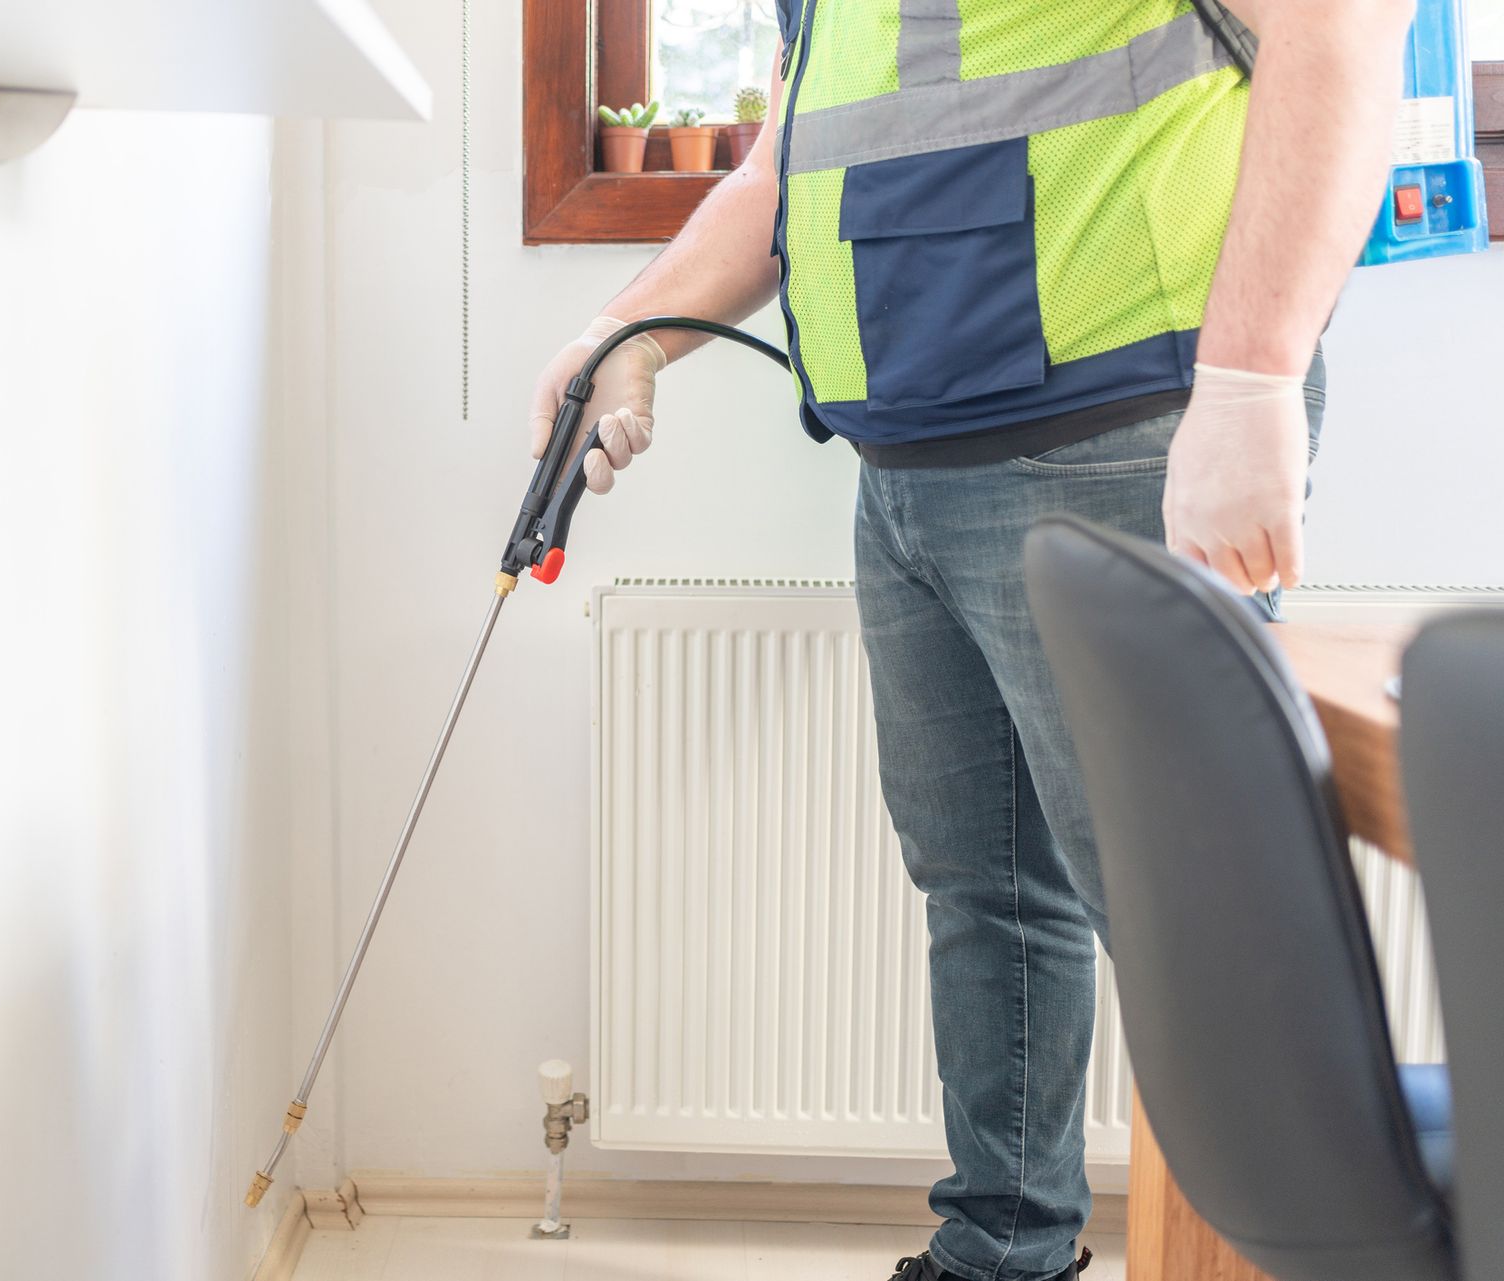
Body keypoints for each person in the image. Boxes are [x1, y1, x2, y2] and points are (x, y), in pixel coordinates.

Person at [528, 3, 1416, 1279]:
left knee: (1187, 917)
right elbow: (788, 169)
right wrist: (623, 338)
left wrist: (1255, 380)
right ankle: (1001, 1254)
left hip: (1125, 437)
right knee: (985, 889)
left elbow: (1338, 29)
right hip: (908, 468)